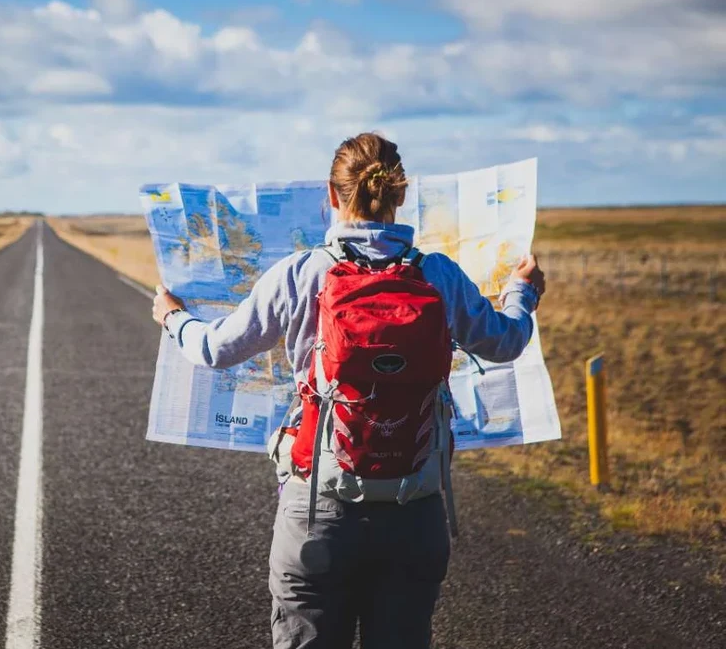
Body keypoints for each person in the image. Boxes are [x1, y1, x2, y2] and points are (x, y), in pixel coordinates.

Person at [151, 132, 546, 649]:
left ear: (331, 196)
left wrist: (173, 317)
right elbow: (507, 340)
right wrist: (523, 291)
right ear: (401, 196)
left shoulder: (299, 273)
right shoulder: (439, 276)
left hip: (318, 512)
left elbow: (216, 350)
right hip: (415, 512)